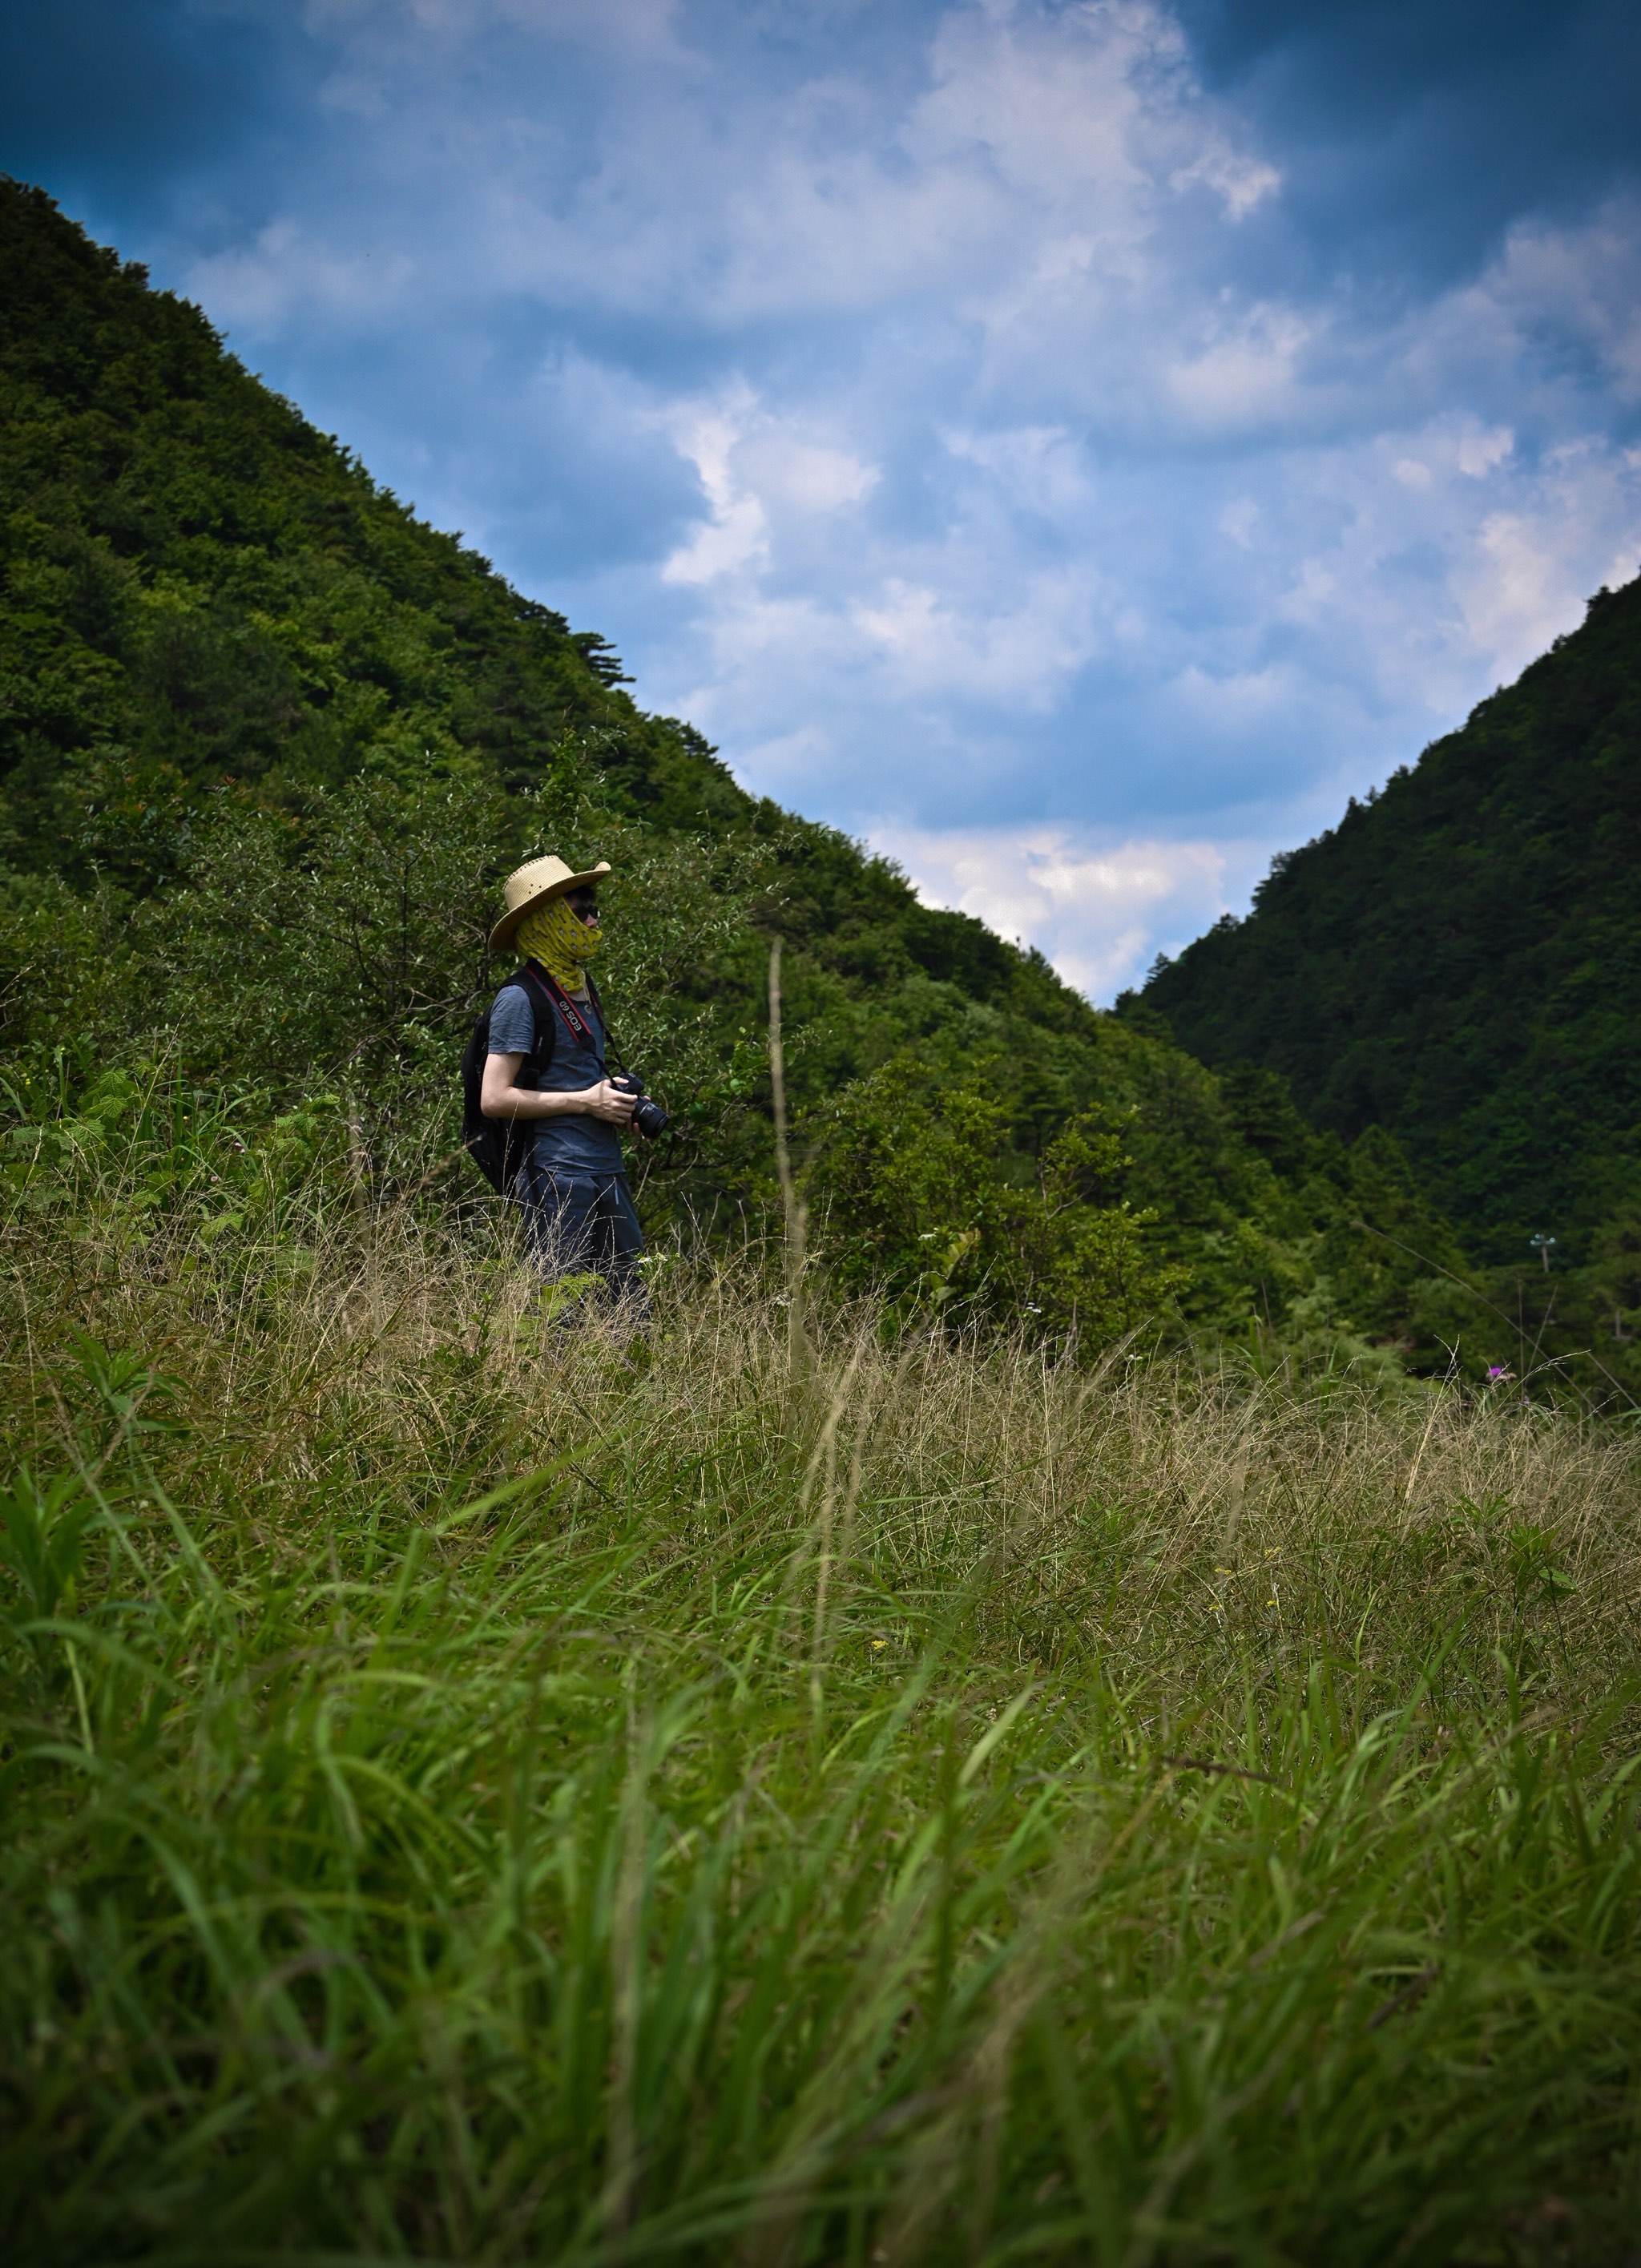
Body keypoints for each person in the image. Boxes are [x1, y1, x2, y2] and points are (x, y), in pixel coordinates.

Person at [479, 853, 647, 1305]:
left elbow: (577, 1073)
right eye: (581, 911)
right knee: (562, 1315)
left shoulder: (582, 986)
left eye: (595, 909)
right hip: (555, 1174)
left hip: (605, 1167)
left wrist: (615, 1103)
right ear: (548, 919)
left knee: (629, 1309)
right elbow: (493, 1098)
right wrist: (585, 1102)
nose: (594, 921)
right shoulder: (519, 997)